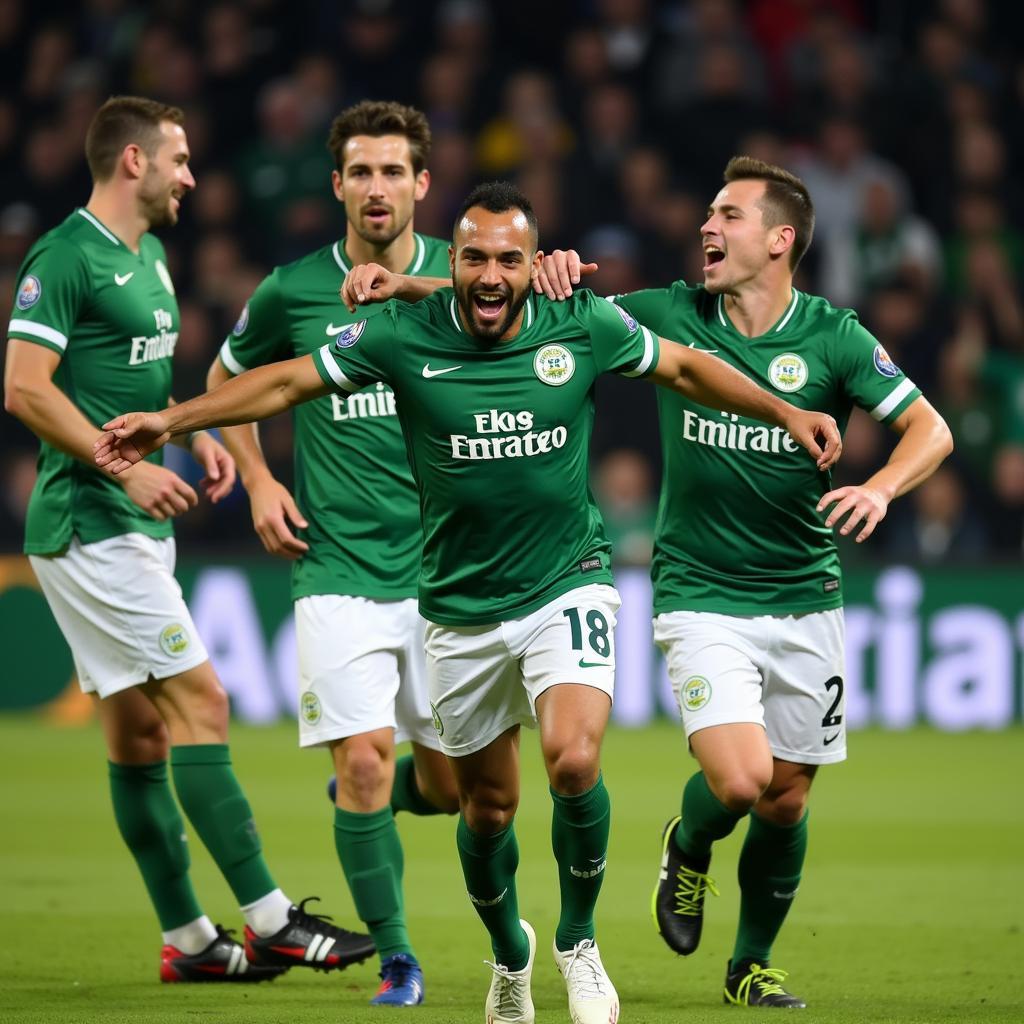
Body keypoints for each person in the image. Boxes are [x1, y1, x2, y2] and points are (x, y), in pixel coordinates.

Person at [94, 180, 841, 1024]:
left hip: (569, 580)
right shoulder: (401, 334)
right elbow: (282, 385)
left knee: (573, 759)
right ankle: (510, 955)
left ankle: (579, 943)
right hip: (458, 605)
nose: (491, 275)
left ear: (533, 267)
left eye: (509, 260)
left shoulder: (581, 324)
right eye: (475, 258)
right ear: (458, 265)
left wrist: (783, 409)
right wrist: (174, 419)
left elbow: (684, 366)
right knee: (485, 805)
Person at [536, 156, 954, 1008]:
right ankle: (687, 846)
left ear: (780, 239)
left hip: (807, 595)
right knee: (739, 781)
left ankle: (749, 966)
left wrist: (878, 487)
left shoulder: (835, 337)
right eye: (708, 214)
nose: (706, 228)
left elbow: (930, 430)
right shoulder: (672, 313)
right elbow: (525, 315)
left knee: (789, 800)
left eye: (728, 215)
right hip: (701, 593)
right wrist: (527, 282)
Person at [4, 95, 374, 984]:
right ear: (134, 161)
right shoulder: (65, 257)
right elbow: (22, 386)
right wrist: (120, 465)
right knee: (204, 703)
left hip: (129, 526)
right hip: (93, 527)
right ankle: (272, 919)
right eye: (179, 160)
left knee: (139, 741)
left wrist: (191, 430)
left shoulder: (152, 257)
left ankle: (191, 941)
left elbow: (137, 373)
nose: (191, 177)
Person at [207, 99, 459, 1007]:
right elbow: (225, 380)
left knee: (456, 788)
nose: (378, 187)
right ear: (338, 186)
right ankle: (397, 956)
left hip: (451, 576)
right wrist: (259, 478)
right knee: (360, 760)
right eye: (362, 171)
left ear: (423, 185)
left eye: (395, 171)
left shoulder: (469, 285)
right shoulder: (291, 291)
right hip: (338, 568)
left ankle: (386, 797)